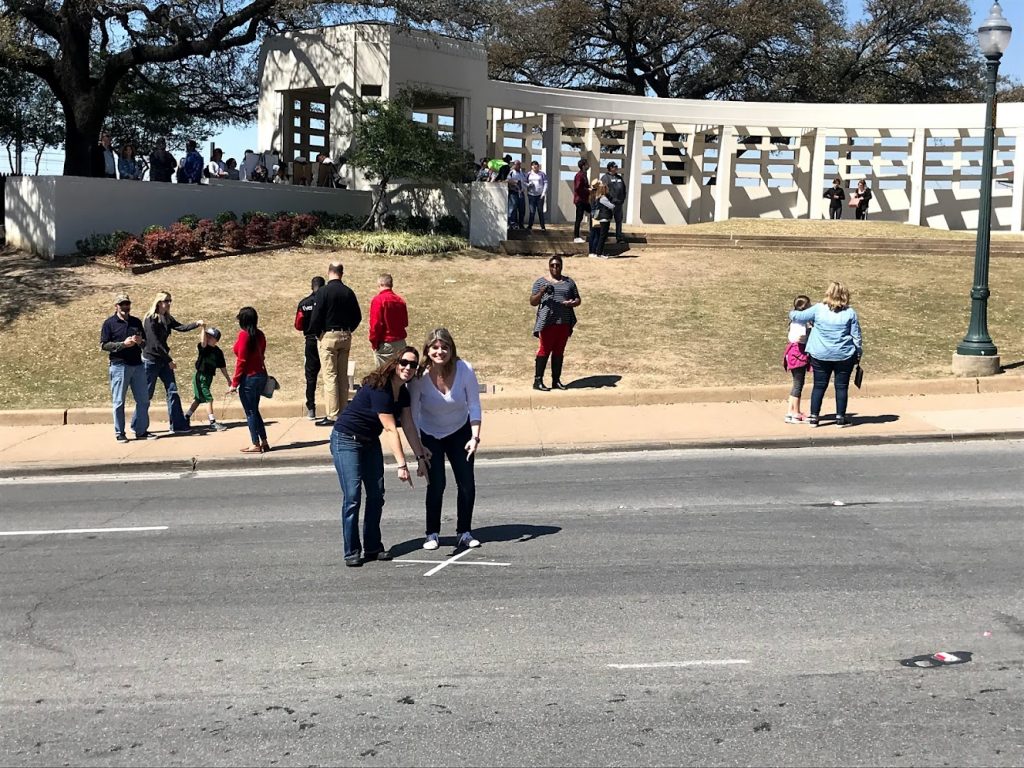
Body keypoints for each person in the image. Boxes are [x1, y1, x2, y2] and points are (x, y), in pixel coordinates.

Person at [330, 348, 432, 567]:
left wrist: (421, 456)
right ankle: (352, 551)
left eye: (413, 365)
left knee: (376, 494)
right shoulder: (380, 387)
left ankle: (373, 546)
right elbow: (390, 429)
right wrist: (402, 465)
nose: (408, 368)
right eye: (404, 363)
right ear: (395, 363)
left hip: (368, 441)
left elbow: (408, 426)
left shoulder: (402, 392)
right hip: (346, 439)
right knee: (353, 496)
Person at [409, 328, 483, 551]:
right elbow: (412, 414)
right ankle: (432, 533)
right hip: (430, 434)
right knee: (437, 484)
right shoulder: (419, 376)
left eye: (444, 347)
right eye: (435, 347)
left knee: (467, 484)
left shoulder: (464, 369)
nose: (439, 351)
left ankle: (464, 532)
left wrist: (475, 437)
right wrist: (419, 447)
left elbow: (474, 404)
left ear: (451, 349)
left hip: (459, 432)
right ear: (427, 350)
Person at [789, 281, 862, 428]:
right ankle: (840, 418)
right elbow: (856, 336)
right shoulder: (849, 312)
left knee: (819, 386)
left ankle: (814, 417)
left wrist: (794, 312)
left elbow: (796, 316)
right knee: (841, 386)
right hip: (844, 354)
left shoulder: (818, 309)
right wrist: (858, 352)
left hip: (820, 353)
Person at [308, 262, 362, 424]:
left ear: (329, 272)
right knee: (342, 377)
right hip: (345, 335)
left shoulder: (323, 292)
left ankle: (333, 414)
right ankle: (344, 411)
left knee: (330, 376)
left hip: (329, 336)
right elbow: (357, 316)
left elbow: (316, 316)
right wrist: (349, 329)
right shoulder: (348, 292)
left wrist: (318, 334)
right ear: (342, 273)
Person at [142, 291, 202, 434]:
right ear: (158, 302)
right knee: (146, 394)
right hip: (151, 360)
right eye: (166, 301)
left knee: (172, 391)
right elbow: (155, 344)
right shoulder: (150, 319)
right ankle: (138, 426)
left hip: (163, 360)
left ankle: (177, 426)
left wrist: (196, 324)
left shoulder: (167, 318)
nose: (168, 303)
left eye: (170, 301)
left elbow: (180, 327)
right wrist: (169, 360)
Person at [100, 293, 153, 442]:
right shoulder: (109, 323)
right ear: (116, 306)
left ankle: (141, 431)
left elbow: (144, 343)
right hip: (119, 366)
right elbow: (104, 345)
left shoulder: (136, 322)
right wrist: (123, 344)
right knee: (119, 401)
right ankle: (120, 433)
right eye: (122, 304)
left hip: (137, 365)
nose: (125, 307)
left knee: (143, 400)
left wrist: (140, 341)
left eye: (127, 304)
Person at [530, 255, 582, 391]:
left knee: (559, 351)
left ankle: (556, 380)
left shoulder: (569, 282)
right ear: (549, 267)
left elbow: (578, 299)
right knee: (544, 350)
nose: (555, 268)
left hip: (564, 321)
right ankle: (538, 380)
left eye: (557, 265)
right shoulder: (541, 282)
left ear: (561, 266)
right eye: (552, 265)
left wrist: (572, 303)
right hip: (547, 321)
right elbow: (532, 301)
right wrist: (542, 292)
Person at [226, 306, 270, 453]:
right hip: (260, 375)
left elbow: (242, 361)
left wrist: (234, 383)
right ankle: (263, 441)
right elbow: (261, 355)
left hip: (249, 378)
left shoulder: (244, 336)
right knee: (255, 410)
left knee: (250, 411)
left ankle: (255, 443)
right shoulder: (260, 335)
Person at [184, 325, 231, 431]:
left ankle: (185, 418)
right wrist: (202, 329)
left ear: (216, 340)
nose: (208, 338)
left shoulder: (218, 352)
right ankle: (212, 422)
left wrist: (228, 379)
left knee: (198, 399)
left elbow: (222, 367)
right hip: (200, 376)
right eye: (207, 336)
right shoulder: (203, 347)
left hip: (209, 377)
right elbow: (203, 341)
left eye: (210, 336)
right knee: (208, 398)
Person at [294, 275, 325, 420]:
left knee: (311, 376)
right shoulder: (327, 302)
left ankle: (311, 408)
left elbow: (298, 325)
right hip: (325, 339)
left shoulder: (304, 303)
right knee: (331, 374)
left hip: (310, 341)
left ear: (311, 286)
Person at [368, 273, 409, 367]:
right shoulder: (400, 301)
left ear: (380, 284)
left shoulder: (378, 300)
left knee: (383, 374)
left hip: (385, 343)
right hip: (400, 343)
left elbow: (376, 324)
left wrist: (374, 343)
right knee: (399, 374)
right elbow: (405, 323)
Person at [783, 295, 812, 424]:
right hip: (798, 354)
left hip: (792, 353)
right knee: (798, 385)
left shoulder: (794, 321)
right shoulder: (801, 324)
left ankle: (791, 411)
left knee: (796, 384)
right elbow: (800, 338)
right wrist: (811, 332)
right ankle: (795, 413)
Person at [588, 179, 615, 259]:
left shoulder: (592, 194)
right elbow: (610, 205)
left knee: (594, 234)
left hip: (595, 215)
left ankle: (593, 251)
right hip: (598, 215)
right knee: (597, 235)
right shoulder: (598, 196)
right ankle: (596, 251)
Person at [600, 161, 627, 242]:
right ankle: (604, 238)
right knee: (607, 221)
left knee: (619, 221)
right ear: (610, 168)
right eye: (615, 166)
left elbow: (624, 189)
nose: (616, 168)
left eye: (616, 166)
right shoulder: (605, 177)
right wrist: (611, 200)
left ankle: (619, 237)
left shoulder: (619, 177)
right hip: (609, 204)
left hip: (619, 203)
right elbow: (604, 190)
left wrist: (622, 199)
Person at [526, 160, 549, 231]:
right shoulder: (528, 174)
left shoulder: (542, 174)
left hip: (540, 196)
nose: (535, 167)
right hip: (531, 195)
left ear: (538, 167)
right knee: (532, 211)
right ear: (531, 167)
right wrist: (528, 185)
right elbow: (524, 182)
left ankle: (543, 227)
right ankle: (530, 226)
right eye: (533, 166)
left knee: (540, 211)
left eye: (536, 166)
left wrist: (543, 193)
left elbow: (546, 183)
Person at [572, 158, 590, 243]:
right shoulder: (579, 175)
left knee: (593, 212)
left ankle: (591, 230)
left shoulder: (584, 174)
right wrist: (588, 190)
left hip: (584, 200)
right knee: (579, 218)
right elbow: (578, 188)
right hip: (580, 200)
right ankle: (576, 236)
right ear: (583, 166)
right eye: (587, 164)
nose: (588, 165)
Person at [507, 158, 528, 229]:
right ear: (514, 165)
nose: (519, 166)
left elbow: (525, 182)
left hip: (521, 192)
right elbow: (507, 180)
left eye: (519, 164)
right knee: (513, 208)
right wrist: (514, 183)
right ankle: (512, 224)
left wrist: (524, 188)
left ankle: (521, 224)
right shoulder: (511, 172)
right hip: (513, 192)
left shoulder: (522, 173)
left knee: (522, 209)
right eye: (517, 164)